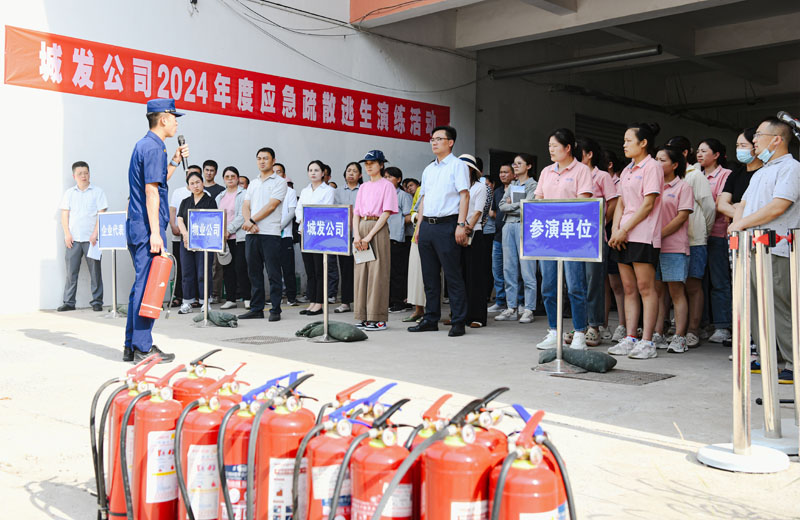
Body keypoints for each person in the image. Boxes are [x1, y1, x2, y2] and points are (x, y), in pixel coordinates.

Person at [731, 116, 800, 384]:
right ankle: (769, 357)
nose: (754, 140)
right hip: (751, 247)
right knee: (756, 307)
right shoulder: (761, 171)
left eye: (759, 135)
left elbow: (778, 206)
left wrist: (741, 224)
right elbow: (743, 204)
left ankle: (794, 363)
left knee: (780, 307)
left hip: (777, 248)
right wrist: (737, 224)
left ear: (777, 139)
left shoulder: (791, 168)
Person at [124, 98, 188, 364]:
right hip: (146, 227)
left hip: (138, 224)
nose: (176, 123)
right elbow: (151, 193)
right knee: (148, 285)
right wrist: (155, 233)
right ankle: (142, 347)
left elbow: (158, 183)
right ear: (163, 119)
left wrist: (174, 162)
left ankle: (131, 345)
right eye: (174, 118)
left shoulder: (149, 145)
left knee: (140, 284)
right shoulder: (152, 147)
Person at [607, 122, 663, 360]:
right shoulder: (627, 170)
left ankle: (648, 341)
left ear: (643, 143)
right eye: (624, 141)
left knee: (645, 288)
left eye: (629, 140)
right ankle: (630, 337)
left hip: (643, 234)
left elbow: (648, 204)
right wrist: (616, 230)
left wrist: (625, 229)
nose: (624, 145)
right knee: (628, 288)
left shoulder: (652, 167)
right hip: (623, 234)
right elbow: (621, 202)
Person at [408, 125, 470, 337]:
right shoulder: (429, 170)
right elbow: (424, 199)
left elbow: (464, 195)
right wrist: (419, 226)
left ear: (450, 142)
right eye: (432, 139)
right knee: (429, 276)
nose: (434, 142)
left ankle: (458, 321)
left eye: (439, 139)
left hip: (448, 225)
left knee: (453, 276)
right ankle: (430, 318)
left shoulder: (457, 166)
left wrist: (461, 225)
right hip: (427, 226)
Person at [534, 129, 594, 350]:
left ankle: (579, 332)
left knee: (575, 286)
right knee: (548, 286)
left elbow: (583, 203)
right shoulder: (546, 171)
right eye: (549, 146)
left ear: (568, 148)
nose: (550, 150)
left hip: (571, 237)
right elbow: (537, 201)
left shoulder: (581, 171)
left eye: (555, 146)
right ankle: (554, 330)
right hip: (549, 236)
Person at [666, 136, 715, 348]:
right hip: (673, 241)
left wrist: (704, 232)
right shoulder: (666, 178)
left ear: (684, 154)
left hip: (694, 239)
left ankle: (693, 329)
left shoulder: (695, 176)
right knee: (675, 286)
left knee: (693, 285)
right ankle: (678, 327)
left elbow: (709, 208)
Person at [574, 138, 619, 346]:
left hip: (594, 237)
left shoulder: (601, 176)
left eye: (579, 153)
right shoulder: (575, 175)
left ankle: (594, 326)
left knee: (594, 282)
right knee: (577, 283)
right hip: (574, 237)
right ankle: (580, 326)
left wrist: (600, 223)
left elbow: (613, 202)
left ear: (589, 154)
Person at [653, 146, 693, 352]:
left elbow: (681, 217)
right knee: (658, 292)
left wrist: (658, 235)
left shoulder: (683, 187)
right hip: (654, 247)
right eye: (656, 159)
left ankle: (679, 337)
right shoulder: (653, 186)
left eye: (662, 160)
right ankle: (658, 333)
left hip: (674, 246)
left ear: (675, 164)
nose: (657, 163)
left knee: (676, 292)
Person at [239, 147, 287, 322]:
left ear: (273, 161)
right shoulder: (253, 183)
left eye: (265, 158)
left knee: (273, 273)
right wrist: (249, 222)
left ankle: (275, 309)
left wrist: (252, 220)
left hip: (270, 234)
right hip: (252, 234)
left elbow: (272, 206)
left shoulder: (279, 182)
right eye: (259, 158)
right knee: (254, 273)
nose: (262, 161)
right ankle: (256, 308)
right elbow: (246, 205)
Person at [353, 151, 398, 330]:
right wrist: (357, 235)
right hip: (362, 226)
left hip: (377, 228)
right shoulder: (363, 187)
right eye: (366, 163)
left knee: (378, 273)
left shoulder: (387, 186)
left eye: (372, 163)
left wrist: (369, 236)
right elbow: (356, 213)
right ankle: (362, 315)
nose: (369, 166)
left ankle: (378, 318)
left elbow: (386, 213)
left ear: (381, 165)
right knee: (361, 273)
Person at [59, 160, 108, 312]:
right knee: (71, 272)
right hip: (73, 240)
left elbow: (101, 214)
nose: (83, 176)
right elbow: (64, 214)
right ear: (74, 176)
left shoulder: (98, 192)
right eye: (80, 173)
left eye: (86, 173)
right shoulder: (69, 193)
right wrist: (67, 234)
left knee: (95, 272)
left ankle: (97, 301)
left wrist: (95, 234)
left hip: (92, 240)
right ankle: (69, 302)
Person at [697, 138, 733, 344]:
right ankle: (703, 324)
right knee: (699, 282)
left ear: (716, 155)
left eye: (704, 151)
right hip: (697, 236)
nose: (699, 154)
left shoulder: (725, 175)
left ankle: (722, 325)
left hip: (718, 234)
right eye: (698, 151)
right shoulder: (695, 174)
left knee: (719, 281)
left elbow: (718, 204)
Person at [496, 153, 538, 323]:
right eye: (514, 163)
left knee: (528, 270)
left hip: (524, 226)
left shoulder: (533, 185)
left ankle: (529, 308)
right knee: (509, 269)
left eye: (519, 163)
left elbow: (528, 208)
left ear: (529, 166)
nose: (515, 166)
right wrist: (516, 205)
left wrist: (510, 205)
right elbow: (501, 205)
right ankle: (511, 308)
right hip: (508, 226)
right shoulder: (512, 185)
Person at [296, 160, 335, 316]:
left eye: (316, 170)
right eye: (310, 170)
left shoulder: (328, 190)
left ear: (323, 173)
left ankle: (319, 303)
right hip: (305, 233)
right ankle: (312, 301)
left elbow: (326, 210)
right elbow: (299, 209)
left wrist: (309, 219)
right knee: (310, 270)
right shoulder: (305, 190)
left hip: (319, 234)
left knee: (320, 270)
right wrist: (302, 220)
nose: (313, 173)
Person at [176, 170, 217, 313]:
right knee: (187, 272)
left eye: (198, 182)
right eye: (192, 183)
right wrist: (185, 235)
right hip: (186, 242)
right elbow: (180, 219)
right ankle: (187, 302)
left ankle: (205, 302)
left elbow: (213, 219)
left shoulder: (210, 201)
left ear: (203, 183)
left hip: (204, 242)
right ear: (188, 186)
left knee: (203, 272)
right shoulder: (185, 201)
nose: (195, 186)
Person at [460, 154, 489, 328]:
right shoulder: (457, 187)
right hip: (458, 233)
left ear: (472, 170)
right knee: (459, 276)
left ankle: (477, 316)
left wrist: (467, 228)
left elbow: (478, 211)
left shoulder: (480, 187)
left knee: (475, 276)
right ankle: (460, 315)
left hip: (474, 234)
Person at [168, 164, 202, 307]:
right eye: (190, 174)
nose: (193, 180)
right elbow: (173, 211)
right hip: (180, 238)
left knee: (198, 269)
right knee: (181, 268)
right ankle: (180, 296)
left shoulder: (206, 196)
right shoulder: (179, 193)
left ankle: (197, 297)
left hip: (199, 240)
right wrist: (174, 226)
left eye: (196, 176)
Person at [216, 166, 249, 310]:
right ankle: (230, 299)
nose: (230, 179)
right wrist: (222, 233)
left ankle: (247, 297)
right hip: (224, 238)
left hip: (239, 237)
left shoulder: (244, 194)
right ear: (223, 179)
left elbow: (243, 215)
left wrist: (229, 230)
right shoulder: (220, 196)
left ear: (237, 178)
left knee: (241, 267)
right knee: (227, 269)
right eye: (227, 177)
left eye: (233, 176)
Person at [603, 152, 627, 342]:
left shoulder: (620, 182)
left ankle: (622, 324)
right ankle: (601, 325)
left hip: (615, 235)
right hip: (600, 236)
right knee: (601, 284)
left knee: (617, 284)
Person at [333, 162, 362, 313]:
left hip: (360, 235)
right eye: (348, 170)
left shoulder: (364, 190)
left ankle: (361, 301)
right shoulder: (337, 192)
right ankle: (345, 302)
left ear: (360, 175)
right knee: (345, 270)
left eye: (354, 171)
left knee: (361, 269)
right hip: (343, 236)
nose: (351, 173)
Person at [385, 166, 413, 313]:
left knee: (398, 271)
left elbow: (409, 217)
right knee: (387, 271)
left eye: (390, 177)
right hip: (385, 237)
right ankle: (390, 299)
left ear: (398, 179)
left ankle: (399, 301)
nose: (387, 179)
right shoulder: (383, 195)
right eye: (385, 177)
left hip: (397, 237)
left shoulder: (403, 196)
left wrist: (397, 222)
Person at [487, 163, 512, 314]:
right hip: (498, 236)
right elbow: (493, 212)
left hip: (513, 237)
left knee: (512, 271)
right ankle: (500, 301)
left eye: (506, 172)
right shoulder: (497, 192)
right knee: (497, 271)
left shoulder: (517, 190)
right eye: (501, 172)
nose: (503, 175)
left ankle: (516, 302)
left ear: (513, 174)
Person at [274, 163, 299, 306]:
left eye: (279, 172)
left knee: (288, 268)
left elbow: (291, 213)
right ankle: (276, 297)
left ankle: (291, 297)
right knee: (273, 269)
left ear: (284, 175)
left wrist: (278, 227)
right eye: (273, 172)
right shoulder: (268, 191)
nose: (276, 174)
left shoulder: (290, 192)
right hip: (271, 236)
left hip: (285, 235)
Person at [404, 180, 426, 323]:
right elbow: (412, 211)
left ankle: (432, 311)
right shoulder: (420, 190)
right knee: (416, 275)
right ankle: (418, 310)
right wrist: (418, 216)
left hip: (438, 235)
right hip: (418, 237)